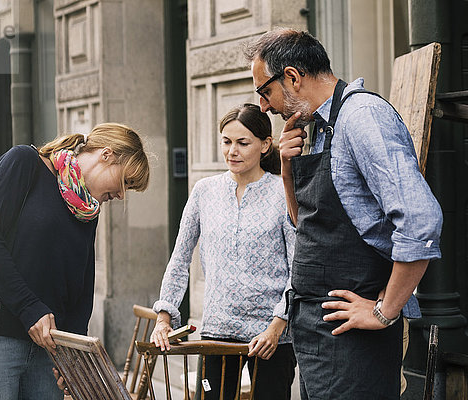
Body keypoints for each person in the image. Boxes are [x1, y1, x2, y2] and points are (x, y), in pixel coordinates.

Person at [244, 28, 443, 399]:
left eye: (264, 91)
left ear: (292, 77)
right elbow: (306, 226)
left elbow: (421, 220)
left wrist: (384, 311)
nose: (264, 107)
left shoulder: (362, 117)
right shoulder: (318, 126)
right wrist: (287, 168)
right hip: (317, 335)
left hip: (353, 343)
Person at [0, 123, 150, 400]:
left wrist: (73, 359)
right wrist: (30, 309)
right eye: (124, 182)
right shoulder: (25, 163)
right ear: (107, 155)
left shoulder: (87, 209)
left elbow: (81, 285)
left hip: (51, 352)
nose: (122, 195)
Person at [150, 104, 296, 400]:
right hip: (217, 331)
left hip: (270, 339)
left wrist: (278, 325)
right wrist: (164, 316)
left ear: (265, 144)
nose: (232, 151)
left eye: (243, 143)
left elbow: (299, 267)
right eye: (227, 142)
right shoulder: (204, 191)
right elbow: (180, 259)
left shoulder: (283, 193)